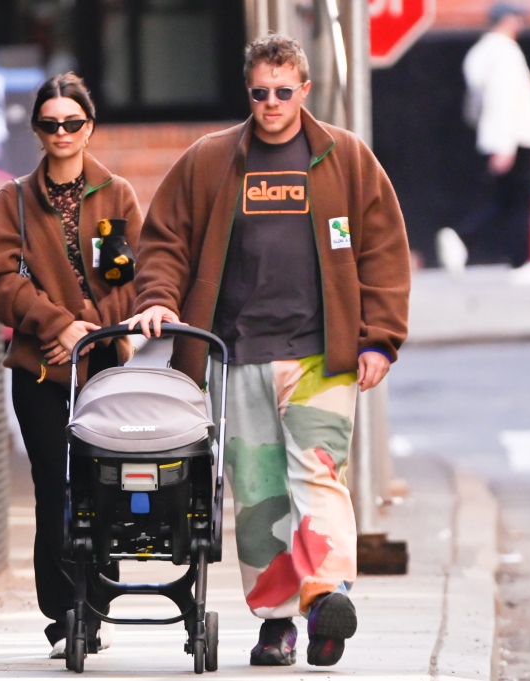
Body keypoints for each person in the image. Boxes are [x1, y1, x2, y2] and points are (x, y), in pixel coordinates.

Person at [125, 34, 410, 667]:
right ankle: (277, 621)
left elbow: (384, 252)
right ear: (248, 92)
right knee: (257, 492)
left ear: (304, 90)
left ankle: (325, 596)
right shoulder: (211, 160)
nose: (272, 103)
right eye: (261, 92)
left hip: (320, 356)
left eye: (284, 91)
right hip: (236, 353)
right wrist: (158, 298)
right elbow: (165, 239)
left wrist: (380, 339)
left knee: (320, 474)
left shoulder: (346, 159)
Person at [0, 72, 142, 659]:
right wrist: (56, 325)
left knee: (103, 484)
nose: (62, 132)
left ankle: (97, 604)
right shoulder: (13, 200)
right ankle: (64, 614)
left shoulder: (116, 194)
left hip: (103, 369)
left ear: (89, 127)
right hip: (40, 369)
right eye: (51, 123)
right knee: (53, 487)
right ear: (38, 130)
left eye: (73, 122)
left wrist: (90, 329)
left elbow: (131, 278)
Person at [438, 1, 530, 281]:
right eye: (518, 19)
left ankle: (464, 240)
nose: (521, 24)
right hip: (515, 137)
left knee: (505, 201)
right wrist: (506, 144)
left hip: (499, 136)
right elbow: (504, 99)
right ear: (507, 20)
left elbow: (475, 105)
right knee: (519, 201)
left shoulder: (481, 53)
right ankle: (520, 264)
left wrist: (493, 137)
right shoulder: (505, 53)